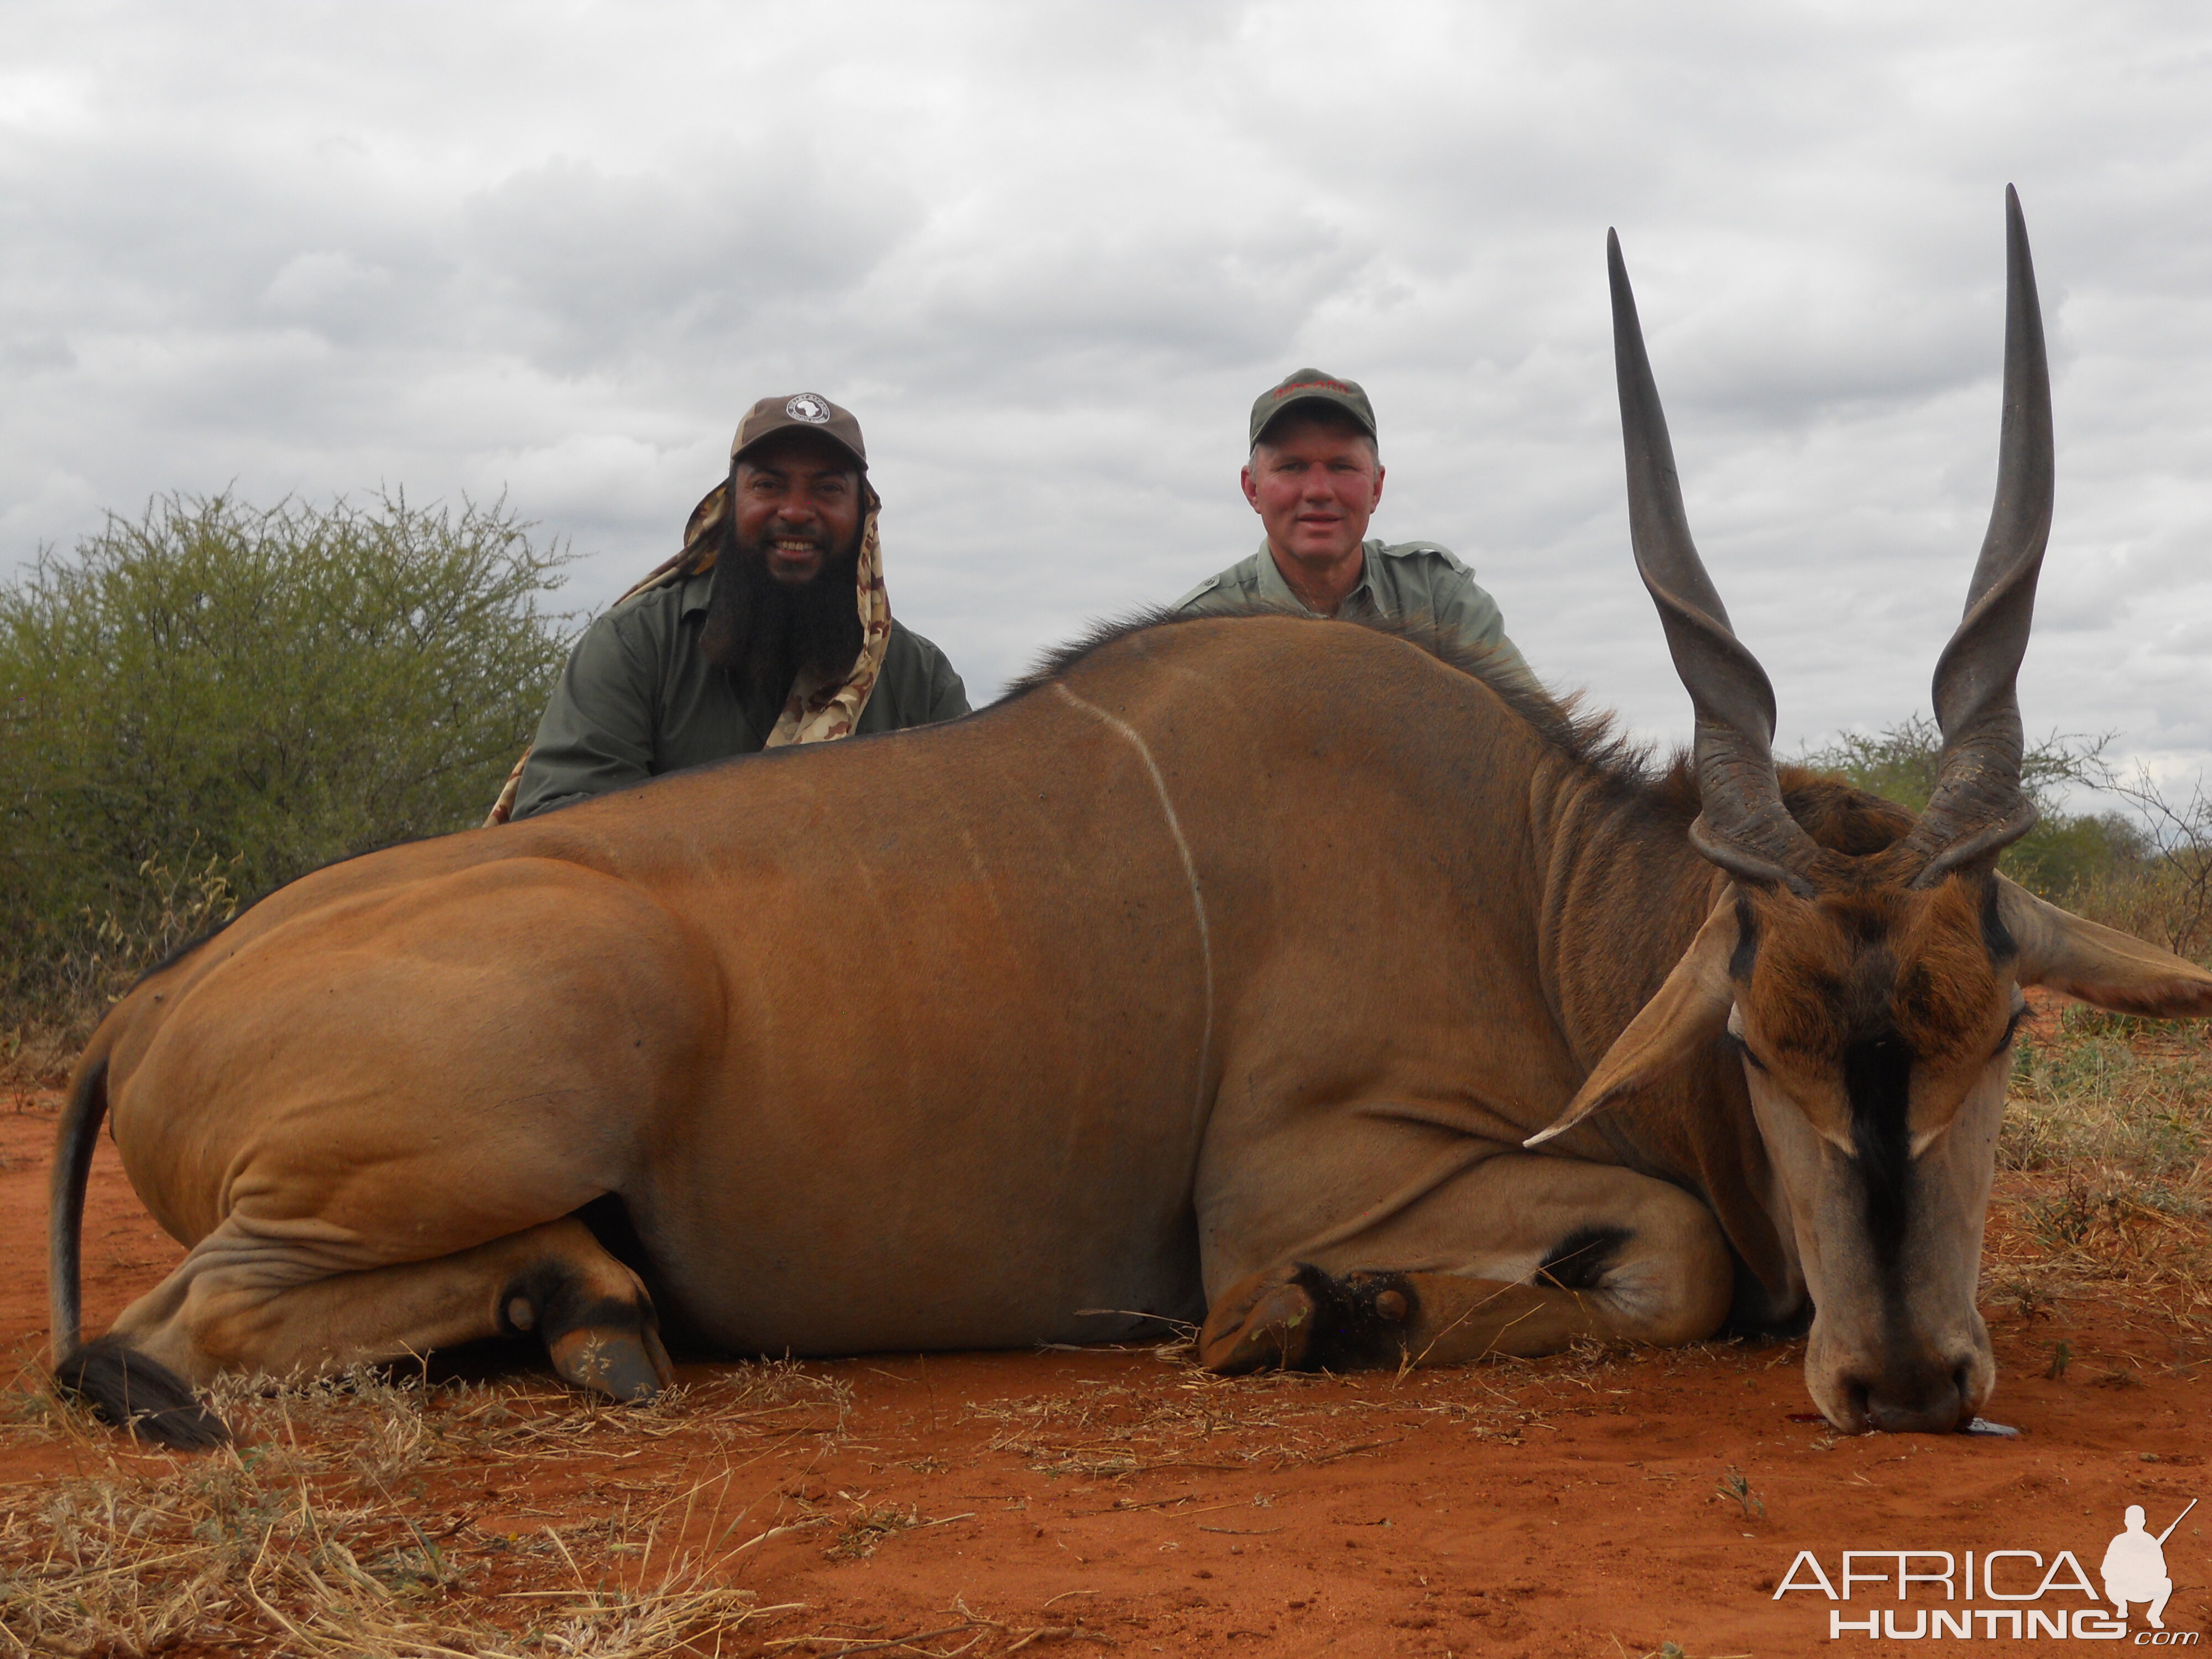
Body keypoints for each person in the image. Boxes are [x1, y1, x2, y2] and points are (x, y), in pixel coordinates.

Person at [494, 394, 969, 823]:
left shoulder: (920, 682)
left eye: (827, 490)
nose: (798, 511)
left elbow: (969, 837)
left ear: (863, 515)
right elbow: (556, 825)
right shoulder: (637, 645)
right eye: (769, 485)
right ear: (729, 504)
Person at [1171, 368, 1530, 679]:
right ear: (1252, 489)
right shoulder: (1196, 632)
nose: (1318, 490)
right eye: (1292, 467)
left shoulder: (1443, 603)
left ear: (1376, 487)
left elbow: (1539, 750)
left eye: (1342, 467)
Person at [2101, 1504, 2176, 1629]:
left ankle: (2144, 1613)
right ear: (2144, 1522)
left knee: (2109, 1583)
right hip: (2133, 1590)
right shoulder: (2147, 1541)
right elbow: (2163, 1571)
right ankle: (2125, 1607)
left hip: (2134, 1590)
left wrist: (2142, 1571)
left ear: (2126, 1522)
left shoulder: (2121, 1541)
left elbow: (2105, 1569)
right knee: (2167, 1584)